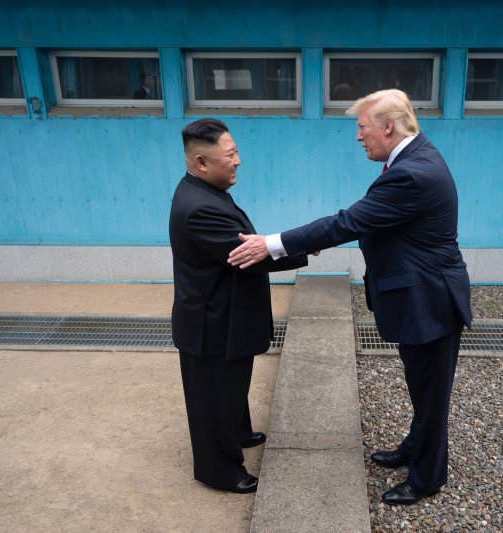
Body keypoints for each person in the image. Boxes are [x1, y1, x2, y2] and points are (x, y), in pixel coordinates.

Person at [227, 89, 472, 505]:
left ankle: (428, 476)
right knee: (421, 384)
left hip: (429, 302)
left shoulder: (412, 172)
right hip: (421, 297)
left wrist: (271, 243)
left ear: (388, 126)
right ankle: (416, 446)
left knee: (431, 391)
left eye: (362, 127)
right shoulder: (413, 159)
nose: (359, 137)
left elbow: (350, 221)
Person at [168, 118, 308, 494]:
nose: (238, 161)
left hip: (222, 313)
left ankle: (239, 433)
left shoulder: (205, 191)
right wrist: (305, 242)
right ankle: (221, 471)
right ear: (201, 162)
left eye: (236, 152)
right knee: (214, 398)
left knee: (230, 387)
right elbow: (250, 255)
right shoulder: (199, 207)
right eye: (230, 155)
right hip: (210, 324)